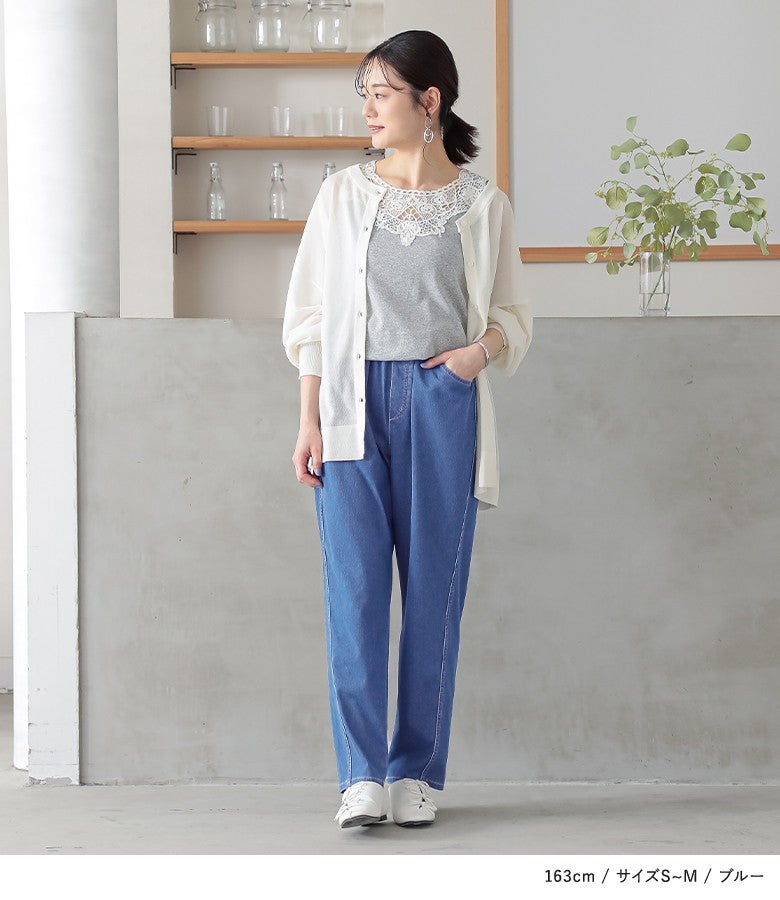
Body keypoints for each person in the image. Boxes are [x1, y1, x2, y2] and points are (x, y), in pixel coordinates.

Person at [282, 30, 533, 829]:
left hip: (439, 401)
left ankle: (415, 773)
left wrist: (472, 357)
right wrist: (309, 419)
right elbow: (311, 317)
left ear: (430, 101)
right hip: (349, 404)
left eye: (381, 93)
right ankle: (360, 776)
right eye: (364, 93)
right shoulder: (341, 196)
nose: (368, 108)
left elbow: (513, 315)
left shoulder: (484, 206)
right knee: (354, 595)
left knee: (434, 597)